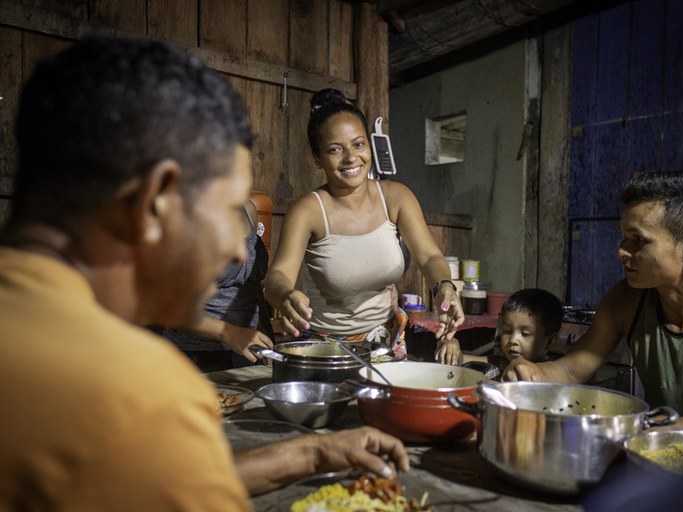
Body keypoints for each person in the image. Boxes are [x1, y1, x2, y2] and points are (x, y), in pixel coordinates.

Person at [0, 37, 408, 510]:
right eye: (224, 211)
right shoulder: (142, 389)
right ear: (157, 200)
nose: (239, 247)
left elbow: (160, 475)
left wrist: (312, 452)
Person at [504, 170, 683, 435]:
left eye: (638, 240)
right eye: (624, 237)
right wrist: (531, 373)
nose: (621, 250)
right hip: (662, 464)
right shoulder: (626, 299)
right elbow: (572, 371)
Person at [264, 88, 465, 364]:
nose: (350, 158)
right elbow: (277, 278)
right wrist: (285, 295)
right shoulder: (308, 211)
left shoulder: (396, 197)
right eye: (335, 149)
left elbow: (429, 256)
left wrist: (444, 286)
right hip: (324, 351)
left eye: (358, 145)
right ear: (317, 157)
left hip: (387, 345)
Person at [160, 200, 275, 372]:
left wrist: (269, 339)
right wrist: (231, 333)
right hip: (194, 357)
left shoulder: (246, 208)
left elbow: (252, 287)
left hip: (246, 352)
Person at [463, 288, 562, 368]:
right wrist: (453, 349)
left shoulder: (551, 375)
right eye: (507, 331)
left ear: (551, 341)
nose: (513, 340)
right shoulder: (500, 364)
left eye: (525, 333)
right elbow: (461, 360)